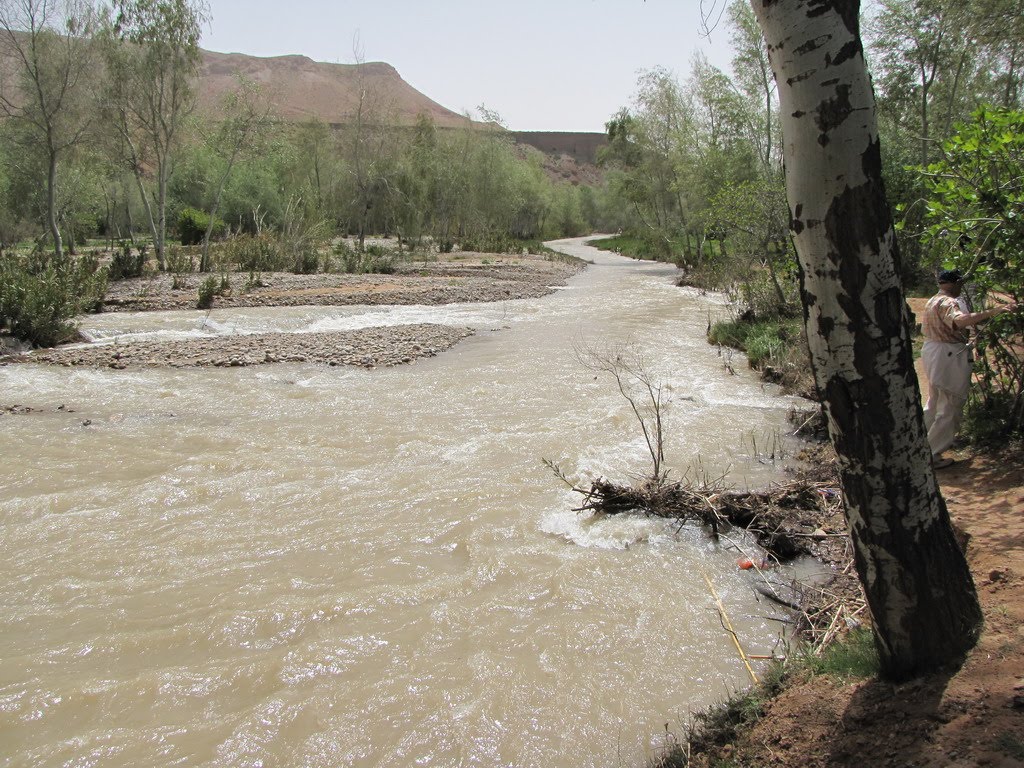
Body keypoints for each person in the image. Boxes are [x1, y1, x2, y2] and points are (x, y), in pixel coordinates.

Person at [921, 269, 1019, 468]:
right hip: (948, 353)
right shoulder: (950, 302)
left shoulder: (933, 300)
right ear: (954, 283)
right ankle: (931, 454)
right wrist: (994, 311)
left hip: (933, 350)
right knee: (951, 405)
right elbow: (959, 321)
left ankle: (919, 447)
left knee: (935, 401)